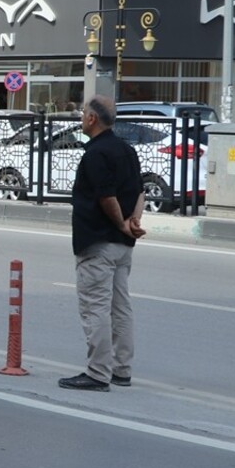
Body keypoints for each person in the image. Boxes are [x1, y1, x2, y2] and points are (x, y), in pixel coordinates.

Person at [59, 95, 146, 392]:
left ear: (93, 119)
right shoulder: (126, 150)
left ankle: (97, 373)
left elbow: (106, 196)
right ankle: (122, 370)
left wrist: (121, 222)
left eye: (84, 113)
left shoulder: (96, 154)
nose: (81, 117)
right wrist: (133, 222)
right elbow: (140, 192)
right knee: (121, 307)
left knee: (95, 308)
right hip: (123, 246)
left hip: (97, 243)